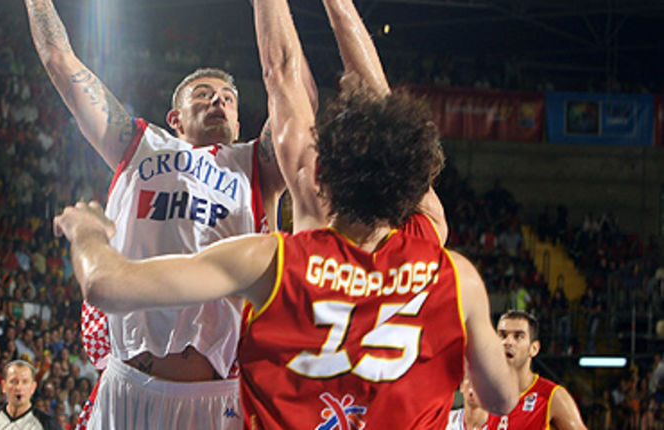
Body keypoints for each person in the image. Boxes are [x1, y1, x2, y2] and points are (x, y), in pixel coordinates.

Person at [54, 1, 517, 428]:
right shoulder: (452, 271)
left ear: (322, 178)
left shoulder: (277, 261)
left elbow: (283, 74)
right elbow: (502, 399)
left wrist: (87, 231)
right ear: (414, 178)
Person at [22, 0, 316, 428]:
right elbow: (61, 62)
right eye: (204, 94)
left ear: (237, 119)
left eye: (229, 98)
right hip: (129, 386)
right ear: (175, 118)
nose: (219, 100)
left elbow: (298, 96)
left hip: (215, 399)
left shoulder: (257, 164)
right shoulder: (138, 144)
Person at [487, 310, 587, 429]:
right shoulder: (484, 395)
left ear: (534, 348)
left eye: (518, 337)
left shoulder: (552, 396)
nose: (507, 342)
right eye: (502, 335)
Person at [0, 360, 59, 430]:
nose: (18, 387)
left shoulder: (47, 424)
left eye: (25, 382)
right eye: (13, 382)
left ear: (33, 388)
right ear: (3, 386)